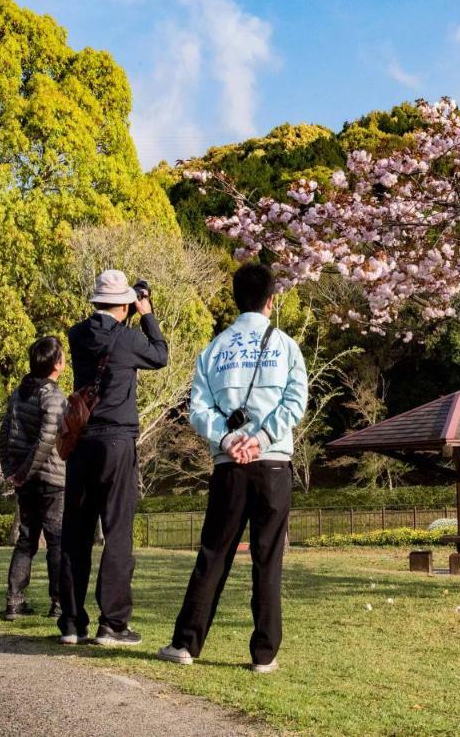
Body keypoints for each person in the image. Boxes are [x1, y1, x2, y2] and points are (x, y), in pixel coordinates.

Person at [157, 262, 307, 672]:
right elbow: (294, 404)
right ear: (271, 301)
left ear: (235, 298)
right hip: (273, 463)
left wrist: (228, 440)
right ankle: (264, 655)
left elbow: (198, 409)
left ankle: (186, 644)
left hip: (228, 466)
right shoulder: (287, 347)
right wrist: (260, 439)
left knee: (214, 554)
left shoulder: (214, 349)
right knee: (267, 559)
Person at [59, 269, 168, 646]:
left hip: (82, 442)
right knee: (117, 531)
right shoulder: (129, 338)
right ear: (124, 304)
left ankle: (72, 622)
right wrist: (147, 311)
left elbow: (105, 331)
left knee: (76, 532)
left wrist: (127, 308)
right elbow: (160, 355)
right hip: (118, 440)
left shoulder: (76, 335)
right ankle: (113, 623)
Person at [0, 336, 68, 621]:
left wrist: (11, 471)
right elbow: (47, 441)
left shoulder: (19, 392)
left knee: (26, 540)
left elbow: (4, 433)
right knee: (56, 540)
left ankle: (15, 601)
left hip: (24, 479)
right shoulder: (53, 397)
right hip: (51, 478)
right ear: (56, 364)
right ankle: (59, 602)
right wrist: (22, 471)